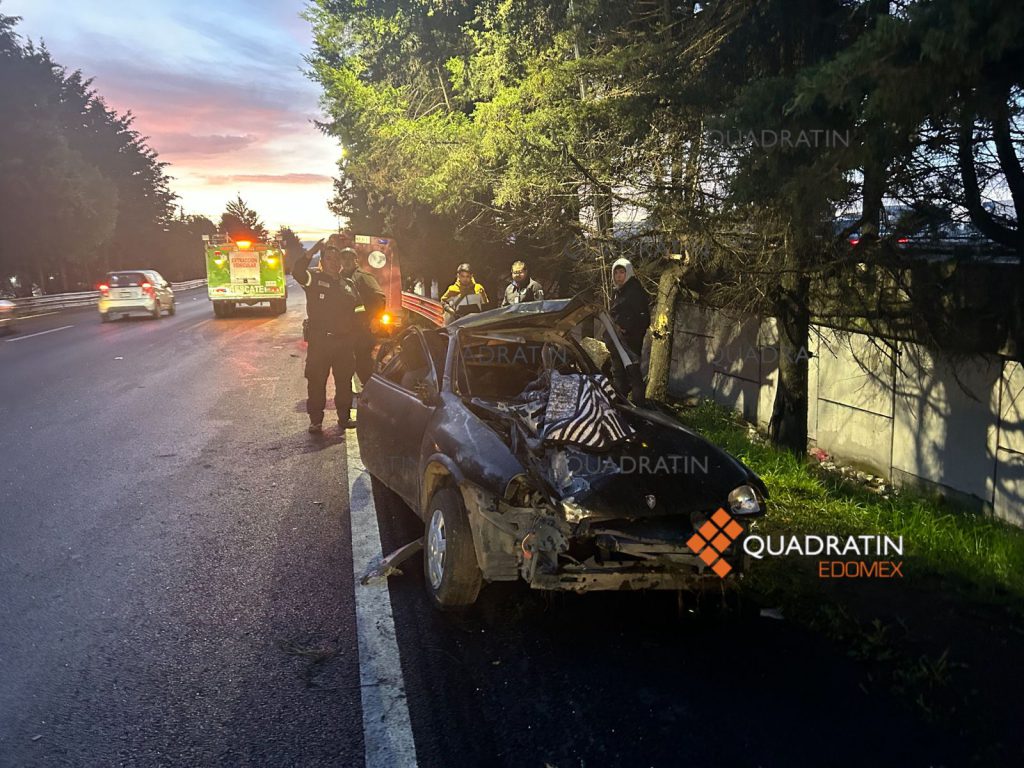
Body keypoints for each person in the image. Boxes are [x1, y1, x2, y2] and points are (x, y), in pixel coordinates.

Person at [293, 242, 360, 433]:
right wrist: (310, 252)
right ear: (322, 262)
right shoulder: (313, 279)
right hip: (320, 343)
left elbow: (359, 310)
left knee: (344, 382)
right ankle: (316, 421)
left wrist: (357, 333)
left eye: (336, 259)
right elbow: (297, 271)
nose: (333, 262)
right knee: (316, 382)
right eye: (329, 259)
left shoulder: (348, 285)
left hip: (344, 344)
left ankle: (344, 417)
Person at [339, 246, 385, 414]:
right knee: (346, 363)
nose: (347, 262)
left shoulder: (364, 277)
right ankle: (355, 395)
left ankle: (374, 394)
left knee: (363, 363)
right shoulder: (339, 278)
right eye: (344, 259)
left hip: (363, 330)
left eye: (350, 258)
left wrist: (375, 318)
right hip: (346, 330)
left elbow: (380, 297)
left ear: (356, 260)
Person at [608, 257, 650, 405]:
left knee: (633, 375)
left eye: (622, 272)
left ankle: (639, 409)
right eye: (616, 273)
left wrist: (625, 327)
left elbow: (643, 318)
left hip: (629, 342)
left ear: (629, 273)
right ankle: (622, 407)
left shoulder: (633, 291)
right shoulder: (620, 291)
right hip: (619, 341)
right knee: (619, 374)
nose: (618, 276)